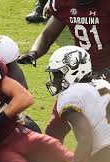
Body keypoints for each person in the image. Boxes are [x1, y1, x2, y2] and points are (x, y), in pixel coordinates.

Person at [18, 0, 110, 142]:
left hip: (106, 70)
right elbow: (48, 34)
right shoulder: (64, 2)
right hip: (79, 70)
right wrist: (33, 53)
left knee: (103, 125)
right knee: (56, 128)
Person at [46, 45, 110, 162]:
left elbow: (85, 139)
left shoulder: (69, 95)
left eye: (58, 74)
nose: (54, 80)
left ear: (74, 71)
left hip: (104, 155)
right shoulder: (104, 84)